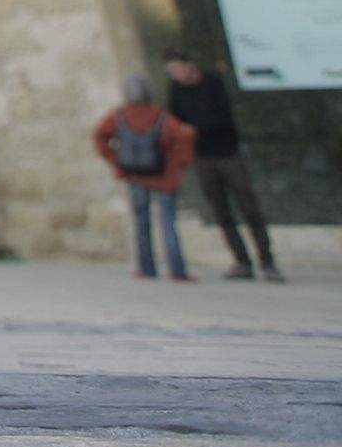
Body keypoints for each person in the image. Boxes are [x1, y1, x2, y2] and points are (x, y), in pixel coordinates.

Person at [164, 56, 281, 284]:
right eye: (171, 72)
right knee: (221, 210)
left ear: (190, 65)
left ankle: (267, 261)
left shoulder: (213, 82)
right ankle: (242, 261)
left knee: (249, 207)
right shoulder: (176, 89)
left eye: (177, 69)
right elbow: (175, 123)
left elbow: (223, 117)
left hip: (228, 153)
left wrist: (194, 128)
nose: (175, 75)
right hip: (202, 157)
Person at [93, 73, 200, 282]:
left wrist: (116, 161)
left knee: (142, 223)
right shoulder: (160, 116)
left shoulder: (118, 116)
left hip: (134, 174)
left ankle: (147, 268)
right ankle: (177, 270)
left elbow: (100, 137)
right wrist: (178, 162)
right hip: (163, 174)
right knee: (168, 223)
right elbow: (185, 136)